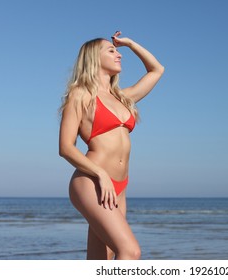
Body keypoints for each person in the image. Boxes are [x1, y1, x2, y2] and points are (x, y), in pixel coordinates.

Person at [58, 31, 164, 260]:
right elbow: (65, 147)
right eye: (112, 50)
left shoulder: (123, 97)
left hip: (120, 186)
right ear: (94, 58)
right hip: (93, 181)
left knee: (102, 261)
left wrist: (130, 43)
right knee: (130, 251)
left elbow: (157, 70)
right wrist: (100, 174)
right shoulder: (80, 95)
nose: (119, 55)